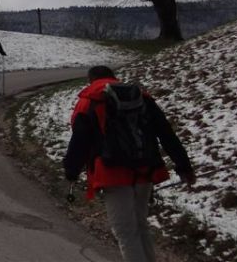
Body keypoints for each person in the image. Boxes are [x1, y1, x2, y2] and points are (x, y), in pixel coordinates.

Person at [63, 66, 195, 262]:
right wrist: (184, 166)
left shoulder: (90, 100)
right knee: (140, 225)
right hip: (145, 170)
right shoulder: (140, 97)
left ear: (91, 80)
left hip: (112, 174)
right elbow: (166, 133)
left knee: (126, 232)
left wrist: (71, 171)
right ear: (114, 78)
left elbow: (80, 141)